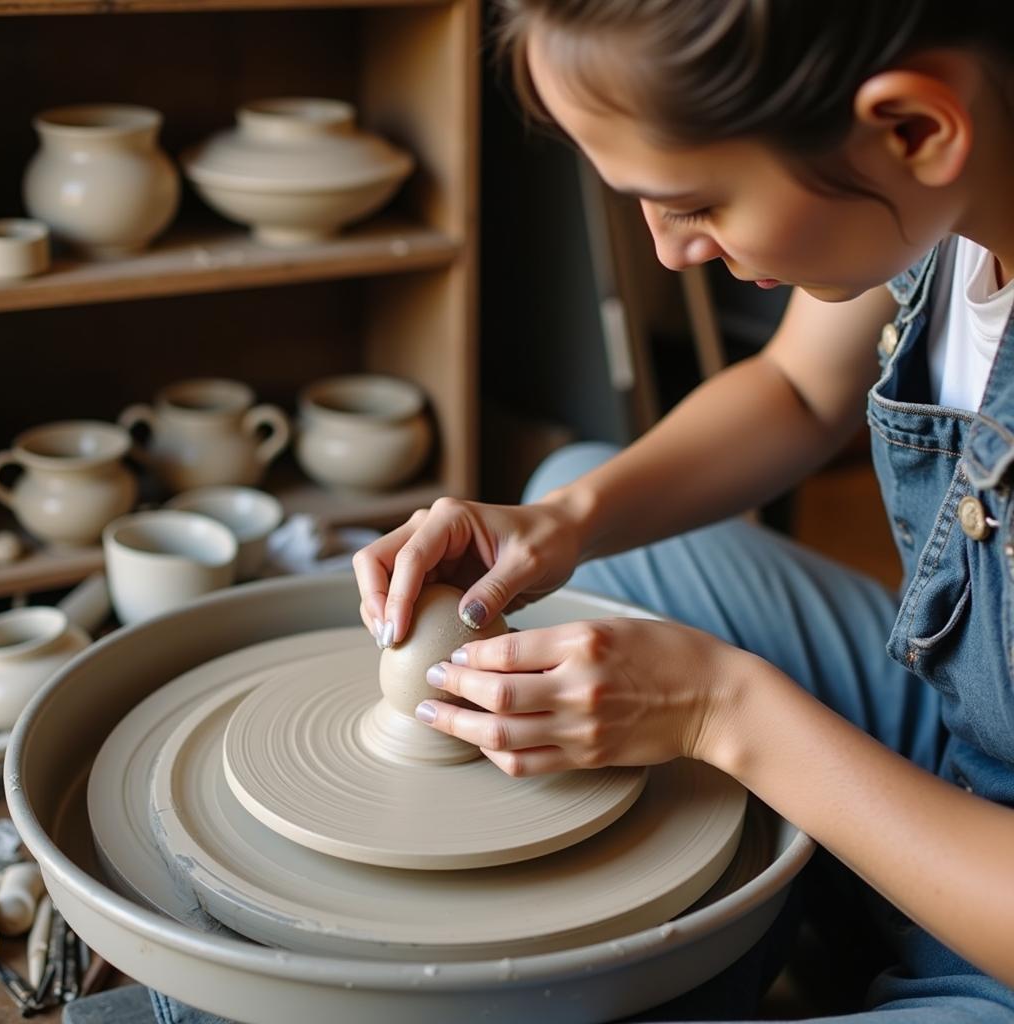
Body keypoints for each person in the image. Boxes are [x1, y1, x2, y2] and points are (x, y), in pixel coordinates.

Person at [349, 1, 1014, 1020]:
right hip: (966, 748)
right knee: (578, 492)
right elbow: (795, 389)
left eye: (695, 201)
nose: (666, 251)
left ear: (915, 129)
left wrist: (722, 709)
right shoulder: (947, 199)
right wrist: (563, 521)